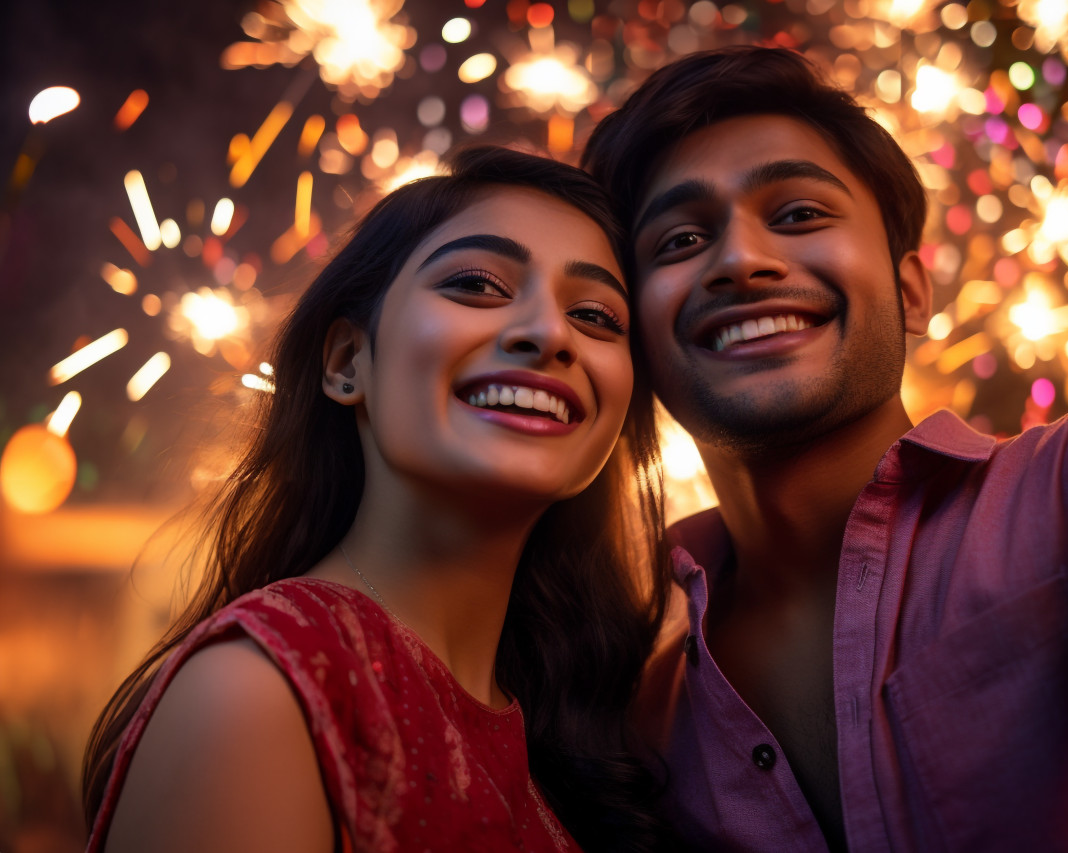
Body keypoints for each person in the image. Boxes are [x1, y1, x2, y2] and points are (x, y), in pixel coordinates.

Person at [582, 46, 1068, 852]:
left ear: (913, 293)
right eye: (678, 240)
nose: (740, 261)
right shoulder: (625, 682)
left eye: (800, 213)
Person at [81, 146, 671, 852]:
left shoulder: (578, 731)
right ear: (346, 362)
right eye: (478, 284)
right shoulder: (262, 690)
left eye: (598, 317)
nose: (549, 333)